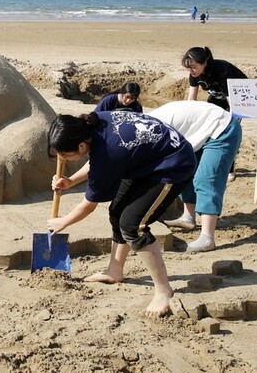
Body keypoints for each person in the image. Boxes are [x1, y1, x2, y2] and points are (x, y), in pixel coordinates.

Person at [48, 111, 196, 317]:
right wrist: (71, 180)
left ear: (81, 146)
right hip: (144, 161)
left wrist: (63, 222)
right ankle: (114, 271)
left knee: (134, 226)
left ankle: (164, 291)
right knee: (117, 211)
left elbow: (89, 204)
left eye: (64, 155)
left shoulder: (109, 152)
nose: (62, 159)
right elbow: (97, 158)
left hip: (173, 164)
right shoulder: (92, 125)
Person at [150, 101, 242, 252]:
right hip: (198, 132)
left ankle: (207, 238)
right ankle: (188, 217)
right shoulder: (145, 126)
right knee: (185, 171)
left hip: (222, 129)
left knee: (206, 179)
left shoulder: (152, 130)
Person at [182, 46, 246, 181]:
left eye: (193, 67)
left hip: (237, 99)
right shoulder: (194, 74)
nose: (190, 71)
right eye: (188, 68)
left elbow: (232, 101)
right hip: (217, 98)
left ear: (204, 63)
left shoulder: (221, 70)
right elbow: (191, 99)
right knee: (208, 130)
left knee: (226, 133)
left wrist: (233, 119)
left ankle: (230, 169)